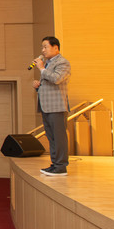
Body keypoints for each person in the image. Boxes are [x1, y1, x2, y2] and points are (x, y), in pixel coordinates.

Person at [32, 36, 71, 176]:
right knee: (51, 137)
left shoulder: (63, 62)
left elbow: (57, 79)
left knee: (59, 138)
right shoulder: (48, 64)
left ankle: (61, 166)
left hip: (57, 107)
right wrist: (38, 86)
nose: (43, 50)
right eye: (42, 47)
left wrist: (42, 68)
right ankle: (55, 164)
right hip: (46, 106)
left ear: (56, 48)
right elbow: (48, 84)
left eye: (45, 47)